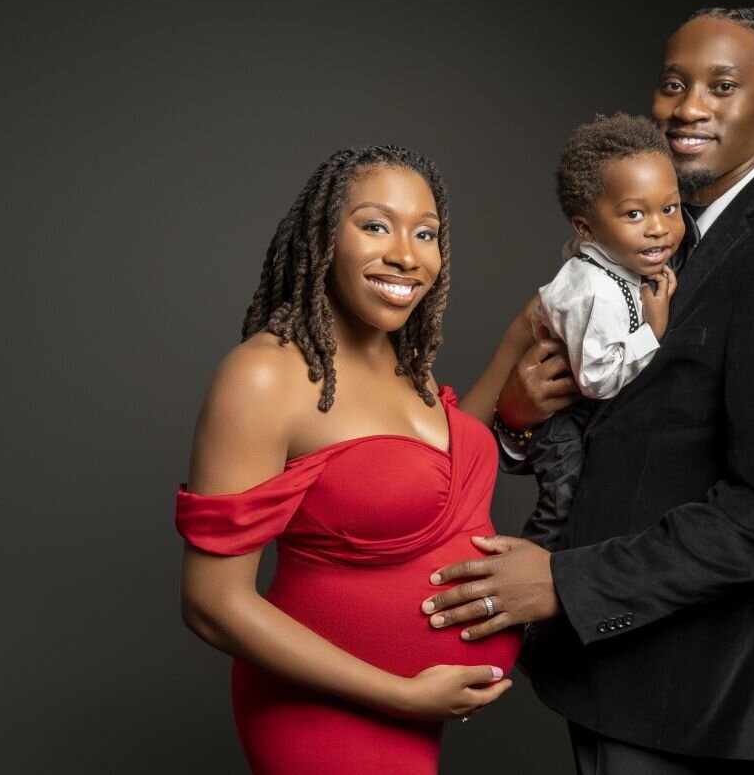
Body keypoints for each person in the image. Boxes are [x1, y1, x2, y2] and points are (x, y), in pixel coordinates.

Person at [420, 8, 754, 773]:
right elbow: (628, 433)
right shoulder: (646, 236)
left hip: (689, 691)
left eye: (722, 86)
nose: (688, 106)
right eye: (674, 84)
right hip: (604, 673)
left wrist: (564, 583)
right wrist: (519, 420)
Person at [176, 145, 530, 774]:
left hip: (420, 712)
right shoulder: (264, 376)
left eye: (425, 233)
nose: (406, 253)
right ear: (322, 240)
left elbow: (427, 480)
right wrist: (403, 695)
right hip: (328, 712)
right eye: (375, 225)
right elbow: (211, 603)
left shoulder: (403, 366)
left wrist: (511, 359)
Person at [519, 113, 685, 550]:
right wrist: (654, 328)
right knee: (564, 503)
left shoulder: (614, 260)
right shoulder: (593, 289)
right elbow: (594, 380)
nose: (659, 227)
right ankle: (525, 586)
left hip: (585, 411)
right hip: (561, 421)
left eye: (670, 208)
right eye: (634, 213)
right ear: (586, 228)